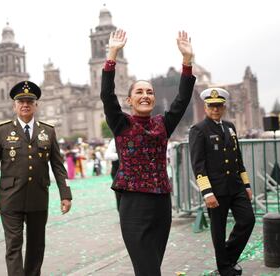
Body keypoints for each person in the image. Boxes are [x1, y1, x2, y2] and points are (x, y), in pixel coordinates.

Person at [101, 29, 195, 275]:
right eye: (139, 92)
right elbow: (107, 96)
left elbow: (183, 99)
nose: (145, 95)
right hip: (133, 203)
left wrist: (187, 61)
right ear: (130, 100)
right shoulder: (121, 123)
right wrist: (112, 55)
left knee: (153, 264)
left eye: (150, 92)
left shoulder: (162, 124)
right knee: (148, 269)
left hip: (162, 202)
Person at [0, 80, 72, 276]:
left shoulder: (47, 131)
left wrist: (66, 194)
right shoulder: (2, 130)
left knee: (36, 245)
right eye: (21, 101)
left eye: (29, 102)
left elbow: (58, 166)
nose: (25, 105)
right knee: (14, 245)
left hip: (38, 197)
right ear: (14, 105)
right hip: (10, 197)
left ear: (36, 105)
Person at [189, 88, 255, 276]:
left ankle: (228, 257)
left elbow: (237, 158)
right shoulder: (198, 130)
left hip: (236, 186)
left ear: (223, 107)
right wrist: (207, 192)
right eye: (211, 106)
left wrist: (247, 185)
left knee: (248, 220)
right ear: (205, 107)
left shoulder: (230, 127)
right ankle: (225, 268)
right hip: (216, 190)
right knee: (218, 231)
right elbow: (198, 165)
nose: (215, 110)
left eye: (218, 106)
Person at [104, 138, 121, 210]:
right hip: (117, 171)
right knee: (119, 195)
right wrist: (122, 155)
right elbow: (107, 155)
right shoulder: (115, 139)